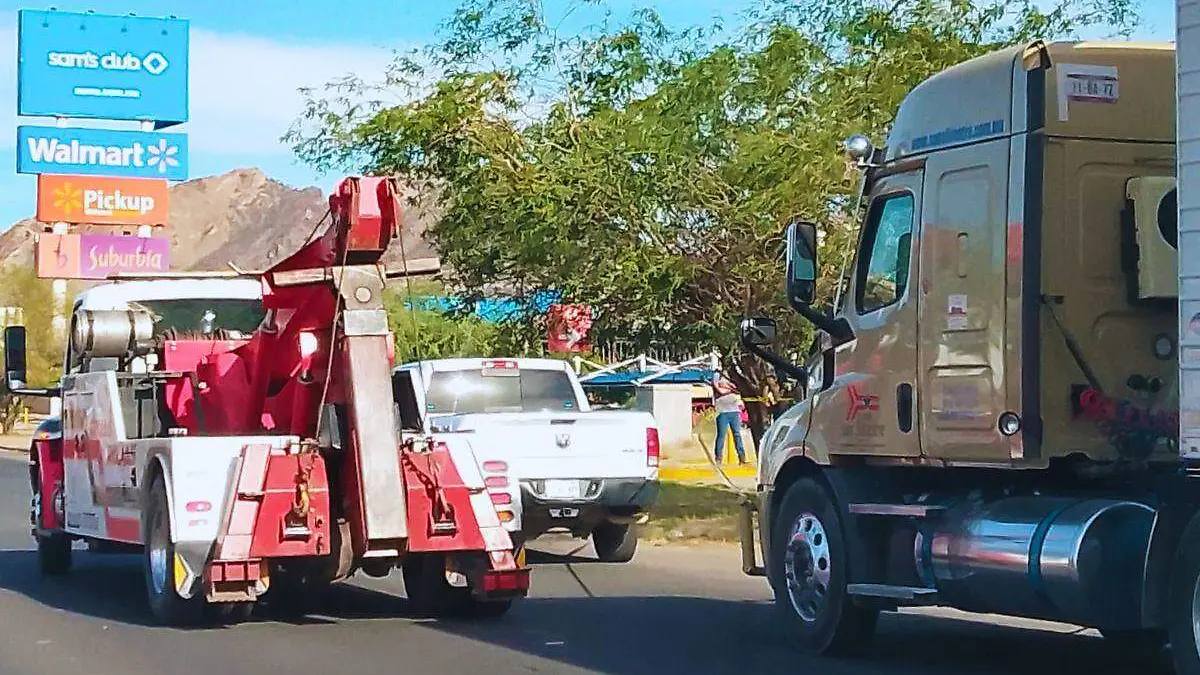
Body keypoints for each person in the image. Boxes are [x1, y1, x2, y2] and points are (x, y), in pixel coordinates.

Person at [711, 370, 748, 465]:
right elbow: (719, 389)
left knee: (737, 434)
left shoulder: (733, 373)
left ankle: (742, 457)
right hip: (722, 411)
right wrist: (730, 388)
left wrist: (726, 387)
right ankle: (718, 458)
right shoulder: (717, 374)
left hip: (734, 411)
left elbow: (738, 389)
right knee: (721, 436)